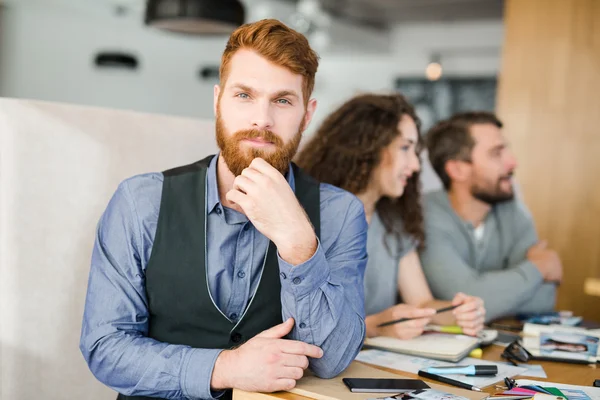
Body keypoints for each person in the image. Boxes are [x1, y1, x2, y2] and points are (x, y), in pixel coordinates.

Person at [80, 19, 368, 400]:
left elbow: (331, 359)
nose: (261, 120)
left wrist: (299, 244)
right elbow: (105, 347)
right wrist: (225, 367)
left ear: (307, 113)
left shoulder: (339, 213)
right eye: (244, 95)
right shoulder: (140, 201)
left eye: (282, 100)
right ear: (217, 100)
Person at [295, 93, 485, 340]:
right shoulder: (306, 217)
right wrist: (374, 325)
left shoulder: (392, 222)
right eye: (405, 148)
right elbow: (303, 325)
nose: (416, 165)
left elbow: (422, 302)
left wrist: (459, 313)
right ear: (367, 148)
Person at [421, 111, 561, 322]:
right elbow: (462, 300)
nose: (512, 163)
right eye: (496, 154)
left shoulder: (512, 210)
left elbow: (544, 298)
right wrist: (537, 269)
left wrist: (492, 293)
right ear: (457, 170)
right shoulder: (425, 215)